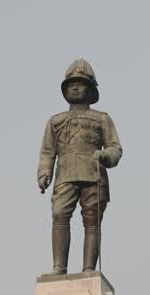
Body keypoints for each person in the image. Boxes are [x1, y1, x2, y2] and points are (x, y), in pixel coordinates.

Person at [38, 59, 123, 274]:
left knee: (92, 221)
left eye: (81, 83)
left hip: (93, 173)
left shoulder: (102, 119)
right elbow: (48, 151)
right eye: (71, 84)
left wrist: (106, 156)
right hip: (65, 174)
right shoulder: (55, 121)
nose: (75, 87)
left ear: (90, 88)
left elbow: (115, 148)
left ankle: (88, 269)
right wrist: (44, 172)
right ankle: (59, 266)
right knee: (59, 214)